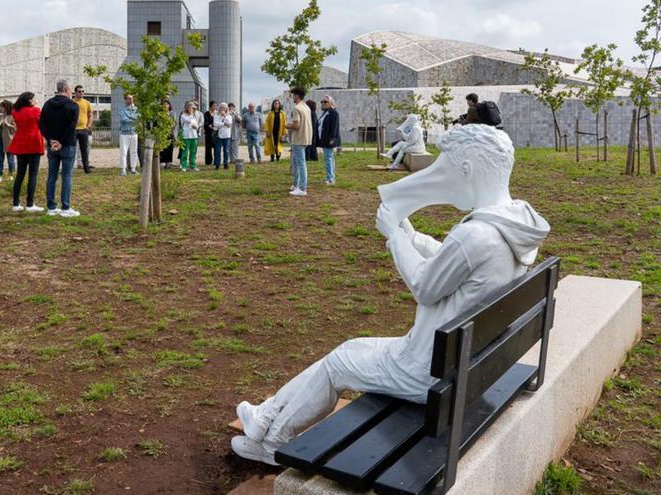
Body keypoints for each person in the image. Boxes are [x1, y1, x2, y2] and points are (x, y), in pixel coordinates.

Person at [231, 124, 551, 465]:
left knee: (338, 363)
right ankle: (265, 418)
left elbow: (426, 287)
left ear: (467, 170)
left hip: (427, 370)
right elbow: (455, 261)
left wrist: (394, 238)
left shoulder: (477, 235)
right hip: (468, 362)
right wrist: (412, 237)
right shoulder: (511, 223)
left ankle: (270, 445)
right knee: (350, 349)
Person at [39, 80, 81, 218]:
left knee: (52, 175)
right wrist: (61, 142)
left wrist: (51, 140)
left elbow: (42, 125)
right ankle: (65, 207)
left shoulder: (47, 105)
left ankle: (51, 206)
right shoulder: (72, 106)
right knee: (67, 175)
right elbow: (72, 126)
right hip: (67, 144)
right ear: (67, 89)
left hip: (52, 145)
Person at [7, 92, 45, 212]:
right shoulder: (36, 111)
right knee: (32, 174)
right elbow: (42, 124)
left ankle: (16, 203)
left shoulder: (16, 111)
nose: (36, 100)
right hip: (34, 142)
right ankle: (30, 204)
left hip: (20, 143)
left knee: (20, 174)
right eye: (34, 99)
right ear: (29, 100)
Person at [286, 88, 312, 196]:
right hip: (306, 138)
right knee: (296, 162)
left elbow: (296, 126)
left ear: (297, 96)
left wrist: (287, 125)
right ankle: (296, 185)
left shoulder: (297, 108)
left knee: (300, 163)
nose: (292, 97)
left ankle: (302, 188)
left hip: (298, 139)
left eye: (293, 95)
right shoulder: (306, 107)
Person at [317, 96, 341, 185]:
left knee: (328, 159)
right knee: (329, 158)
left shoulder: (333, 113)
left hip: (329, 140)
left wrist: (332, 139)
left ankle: (330, 179)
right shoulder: (325, 113)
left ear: (331, 103)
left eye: (325, 102)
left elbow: (335, 127)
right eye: (322, 102)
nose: (323, 103)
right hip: (324, 140)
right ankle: (330, 177)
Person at [0, 100, 16, 182]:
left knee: (10, 159)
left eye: (1, 107)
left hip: (9, 141)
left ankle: (11, 174)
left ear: (6, 107)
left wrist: (8, 124)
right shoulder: (0, 117)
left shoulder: (12, 117)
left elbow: (16, 128)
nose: (0, 109)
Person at [73, 85, 94, 174]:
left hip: (83, 130)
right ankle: (69, 169)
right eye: (79, 91)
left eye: (82, 91)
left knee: (84, 150)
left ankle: (86, 168)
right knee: (71, 150)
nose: (81, 93)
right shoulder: (71, 102)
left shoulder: (87, 103)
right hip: (73, 130)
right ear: (75, 93)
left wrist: (88, 125)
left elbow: (90, 115)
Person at [119, 94, 139, 176]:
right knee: (123, 152)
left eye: (132, 98)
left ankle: (133, 169)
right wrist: (133, 118)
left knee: (134, 152)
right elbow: (124, 119)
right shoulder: (122, 110)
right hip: (124, 133)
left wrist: (132, 118)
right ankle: (123, 169)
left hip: (134, 133)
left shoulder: (136, 109)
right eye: (129, 98)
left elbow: (138, 118)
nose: (131, 100)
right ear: (125, 100)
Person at [180, 101, 201, 172]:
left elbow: (196, 125)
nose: (192, 109)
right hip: (186, 136)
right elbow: (188, 121)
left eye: (193, 108)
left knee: (193, 152)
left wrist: (196, 126)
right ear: (187, 107)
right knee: (185, 151)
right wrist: (194, 124)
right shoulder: (183, 115)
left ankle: (193, 166)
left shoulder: (194, 116)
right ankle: (184, 166)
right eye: (191, 107)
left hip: (194, 136)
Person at [213, 102, 233, 170]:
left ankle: (226, 164)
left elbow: (229, 124)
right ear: (219, 108)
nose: (222, 109)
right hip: (218, 135)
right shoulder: (216, 116)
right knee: (217, 150)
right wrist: (224, 123)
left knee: (226, 150)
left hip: (226, 135)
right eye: (221, 107)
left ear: (226, 109)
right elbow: (215, 124)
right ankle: (217, 164)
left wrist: (224, 117)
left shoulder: (229, 116)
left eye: (224, 108)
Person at [159, 100, 176, 168]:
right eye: (164, 104)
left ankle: (168, 162)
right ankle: (162, 162)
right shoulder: (160, 114)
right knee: (162, 148)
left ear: (169, 105)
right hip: (162, 133)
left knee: (169, 148)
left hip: (170, 133)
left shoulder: (172, 113)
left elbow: (174, 123)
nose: (165, 106)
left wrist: (170, 126)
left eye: (167, 104)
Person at [204, 101, 217, 166]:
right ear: (210, 106)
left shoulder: (217, 113)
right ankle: (208, 162)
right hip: (208, 133)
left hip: (215, 134)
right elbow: (205, 123)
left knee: (216, 148)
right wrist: (211, 126)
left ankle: (216, 161)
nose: (215, 107)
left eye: (216, 105)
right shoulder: (206, 113)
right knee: (208, 148)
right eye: (214, 105)